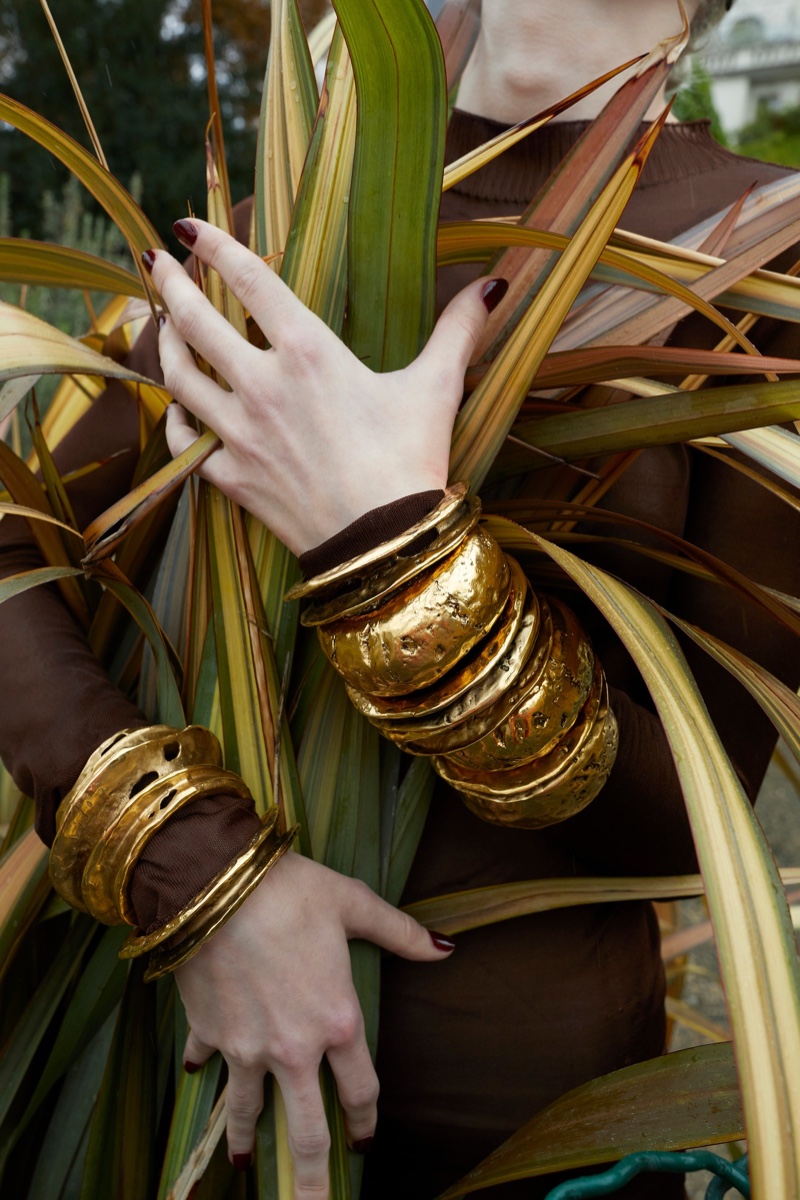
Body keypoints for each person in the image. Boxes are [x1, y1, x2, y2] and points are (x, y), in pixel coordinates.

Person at [1, 1, 798, 1198]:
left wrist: (380, 540)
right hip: (166, 1085)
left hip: (531, 1137)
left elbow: (692, 811)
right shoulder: (268, 218)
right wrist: (207, 881)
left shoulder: (767, 245)